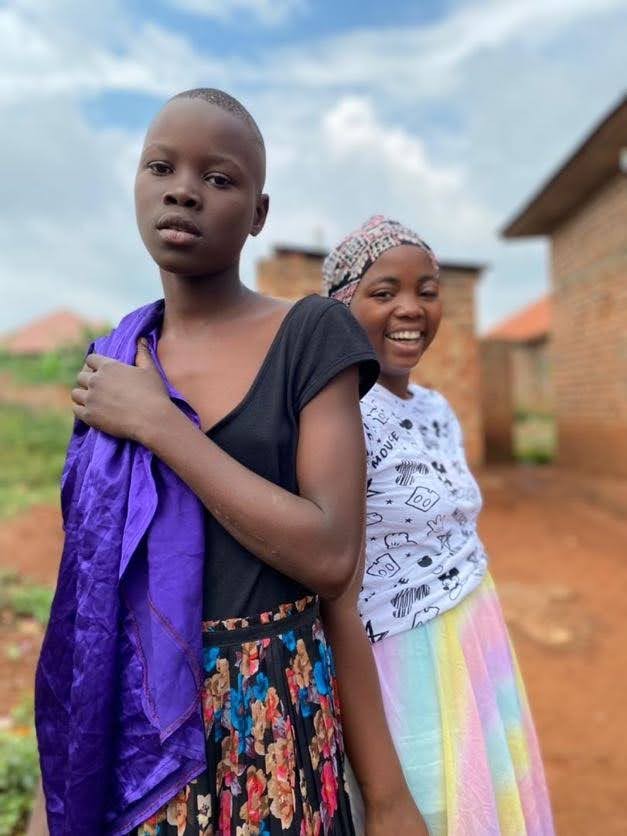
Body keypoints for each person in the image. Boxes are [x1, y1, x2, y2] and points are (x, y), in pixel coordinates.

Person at [35, 95, 426, 835]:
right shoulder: (116, 362)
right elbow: (88, 590)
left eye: (218, 178)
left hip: (274, 719)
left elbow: (331, 557)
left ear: (258, 213)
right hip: (141, 726)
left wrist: (162, 426)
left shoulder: (311, 334)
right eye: (161, 168)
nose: (183, 190)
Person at [324, 215, 555, 835]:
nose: (411, 308)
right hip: (401, 667)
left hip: (474, 642)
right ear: (341, 305)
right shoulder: (339, 415)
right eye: (384, 292)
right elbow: (335, 594)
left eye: (427, 291)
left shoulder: (436, 407)